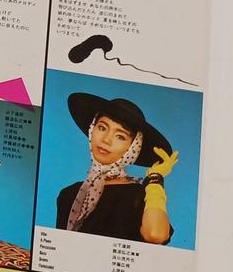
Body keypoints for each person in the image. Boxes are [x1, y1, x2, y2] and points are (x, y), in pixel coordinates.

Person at [55, 93, 178, 244]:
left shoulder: (140, 195)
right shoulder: (68, 194)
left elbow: (156, 235)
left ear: (134, 148)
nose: (106, 139)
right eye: (102, 127)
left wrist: (155, 179)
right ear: (92, 130)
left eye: (120, 136)